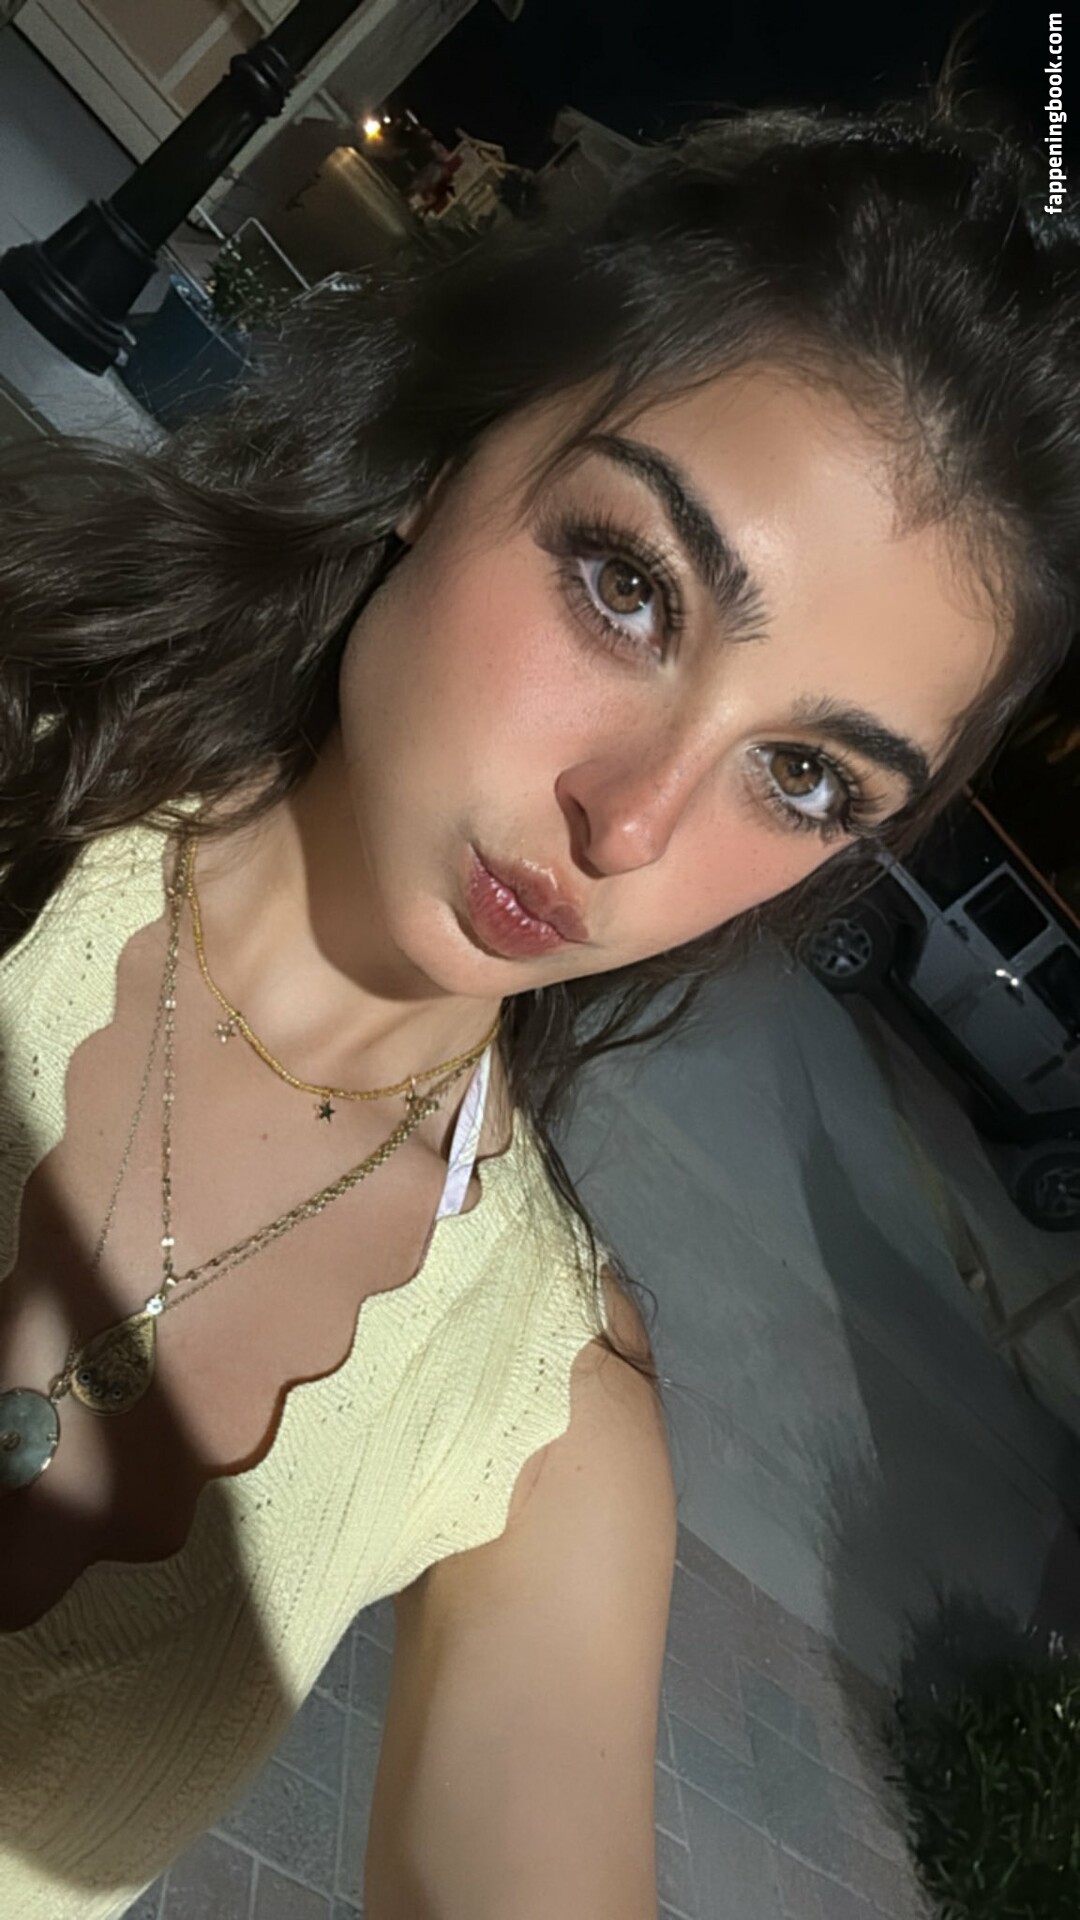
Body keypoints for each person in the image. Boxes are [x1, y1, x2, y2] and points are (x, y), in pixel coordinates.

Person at [0, 94, 1077, 1919]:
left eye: (804, 776)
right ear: (449, 454)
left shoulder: (541, 1419)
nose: (631, 823)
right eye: (630, 588)